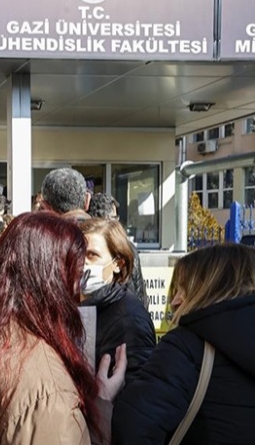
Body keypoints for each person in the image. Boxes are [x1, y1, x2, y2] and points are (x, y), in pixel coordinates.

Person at [0, 212, 127, 445]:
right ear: (52, 280)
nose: (78, 286)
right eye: (75, 272)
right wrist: (100, 403)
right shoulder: (41, 384)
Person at [113, 244, 255, 445]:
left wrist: (106, 400)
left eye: (184, 289)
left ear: (214, 289)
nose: (174, 302)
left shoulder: (187, 346)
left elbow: (133, 429)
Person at [40, 168, 148, 307]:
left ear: (45, 207)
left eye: (92, 255)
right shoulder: (120, 245)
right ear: (87, 200)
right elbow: (140, 301)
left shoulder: (42, 248)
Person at [79, 218, 155, 383]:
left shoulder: (130, 318)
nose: (82, 262)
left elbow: (137, 387)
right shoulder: (76, 305)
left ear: (118, 264)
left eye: (92, 255)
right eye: (78, 252)